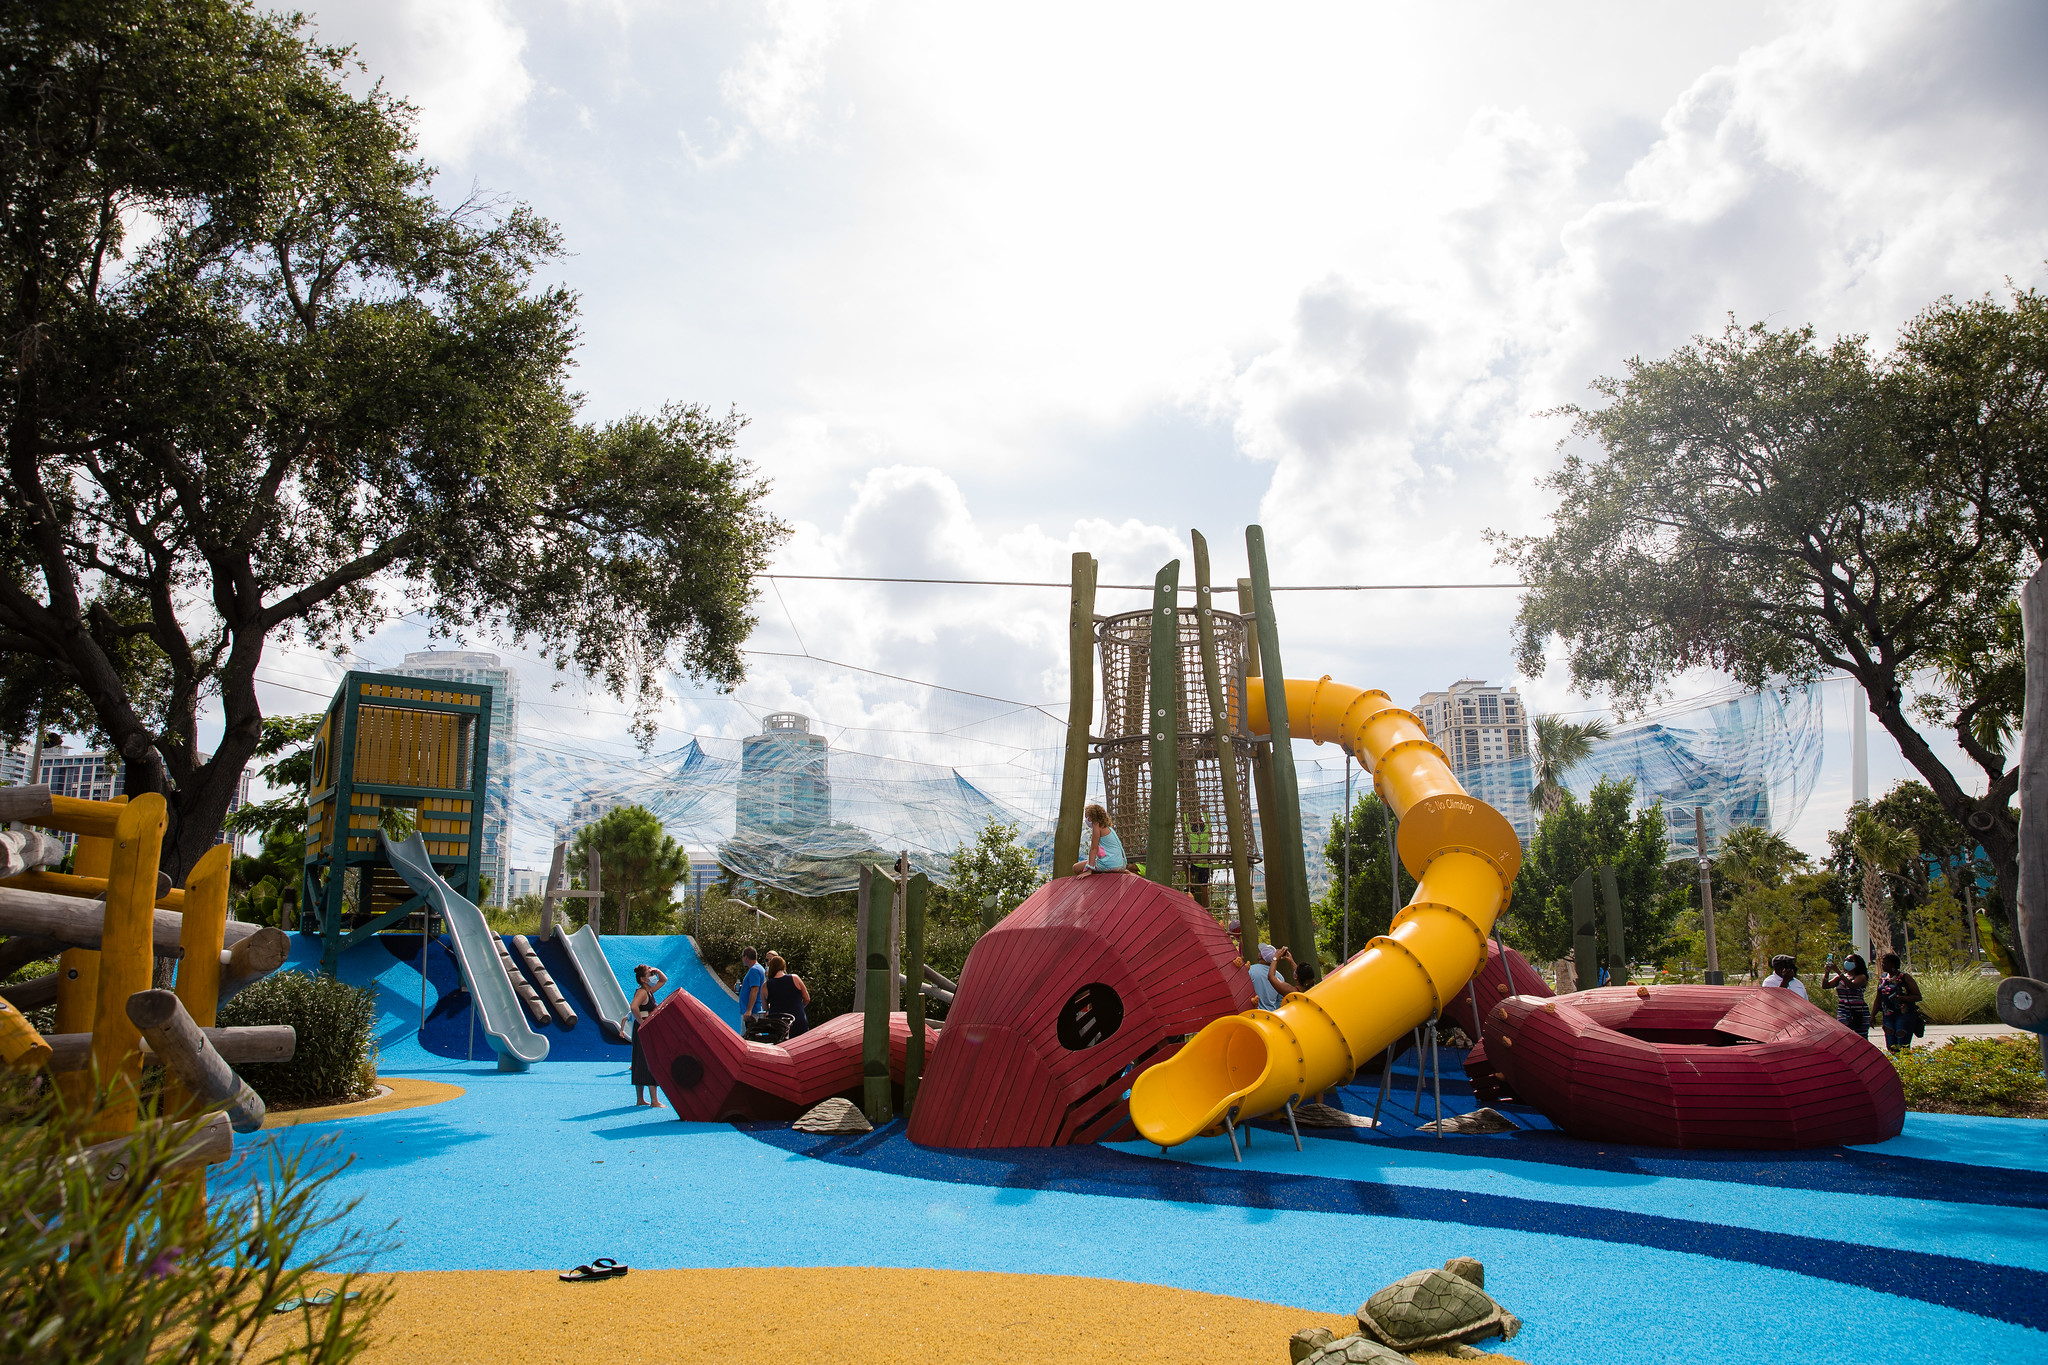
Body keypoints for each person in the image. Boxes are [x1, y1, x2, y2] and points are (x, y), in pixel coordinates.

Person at [630, 964, 668, 1107]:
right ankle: (654, 1100)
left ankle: (640, 1099)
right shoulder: (642, 992)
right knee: (649, 1060)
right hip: (644, 1028)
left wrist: (657, 971)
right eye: (649, 974)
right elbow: (633, 1007)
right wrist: (641, 1022)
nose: (652, 976)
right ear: (642, 979)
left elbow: (663, 980)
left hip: (643, 1029)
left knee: (640, 1060)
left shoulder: (649, 990)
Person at [1874, 953, 1922, 1053]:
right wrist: (1872, 1015)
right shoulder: (1883, 979)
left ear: (1893, 964)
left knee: (1902, 1043)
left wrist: (1901, 998)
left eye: (1885, 963)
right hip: (1888, 1016)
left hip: (1904, 1015)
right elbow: (1878, 998)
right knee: (1891, 1045)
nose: (1882, 965)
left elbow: (1918, 996)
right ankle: (1895, 1066)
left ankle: (1906, 1065)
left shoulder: (1904, 977)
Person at [762, 951, 811, 1037]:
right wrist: (798, 1006)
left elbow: (765, 1007)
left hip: (778, 1023)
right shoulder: (795, 978)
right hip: (797, 1019)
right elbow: (807, 998)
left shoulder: (766, 986)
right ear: (783, 966)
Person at [1823, 953, 1871, 1036]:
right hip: (1843, 1011)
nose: (1847, 962)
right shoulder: (1840, 977)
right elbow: (1825, 986)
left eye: (1850, 960)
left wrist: (1838, 971)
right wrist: (1827, 972)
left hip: (1859, 1012)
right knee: (1845, 1036)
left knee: (1860, 1036)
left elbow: (1852, 985)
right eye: (1846, 960)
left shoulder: (1861, 977)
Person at [1072, 803, 1126, 875]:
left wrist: (1089, 869)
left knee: (1076, 868)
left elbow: (1094, 848)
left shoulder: (1097, 825)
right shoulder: (1108, 828)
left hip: (1110, 864)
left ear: (1092, 817)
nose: (1086, 820)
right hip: (1121, 865)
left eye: (1087, 817)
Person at [1249, 944, 1294, 1010]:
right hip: (1271, 1016)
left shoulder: (1250, 970)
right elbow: (1280, 1000)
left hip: (1252, 1014)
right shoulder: (1280, 977)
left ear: (1260, 956)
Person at [1183, 810, 1213, 907]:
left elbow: (1186, 825)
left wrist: (1185, 814)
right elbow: (1209, 824)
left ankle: (1190, 883)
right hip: (1204, 865)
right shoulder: (1206, 835)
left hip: (1194, 864)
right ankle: (1204, 907)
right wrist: (1205, 812)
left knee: (1185, 864)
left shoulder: (1191, 835)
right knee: (1204, 887)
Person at [737, 947, 766, 1017]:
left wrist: (749, 1010)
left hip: (753, 1011)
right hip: (754, 1010)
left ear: (746, 957)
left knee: (750, 1028)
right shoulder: (759, 968)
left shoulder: (754, 970)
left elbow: (755, 989)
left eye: (742, 957)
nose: (742, 959)